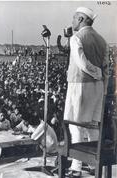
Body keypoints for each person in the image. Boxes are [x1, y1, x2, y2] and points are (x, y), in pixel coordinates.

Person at [64, 7, 109, 177]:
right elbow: (106, 68)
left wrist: (95, 72)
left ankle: (76, 166)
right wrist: (103, 88)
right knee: (92, 125)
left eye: (75, 18)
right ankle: (92, 164)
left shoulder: (76, 38)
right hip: (97, 88)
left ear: (82, 19)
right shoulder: (102, 40)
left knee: (75, 124)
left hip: (79, 85)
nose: (73, 21)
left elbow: (82, 62)